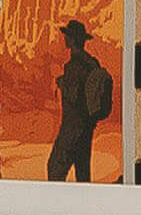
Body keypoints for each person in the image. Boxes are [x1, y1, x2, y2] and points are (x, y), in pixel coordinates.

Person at [47, 19, 114, 183]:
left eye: (67, 36)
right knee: (83, 173)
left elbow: (74, 95)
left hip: (72, 126)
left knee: (55, 168)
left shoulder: (73, 65)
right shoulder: (92, 62)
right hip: (88, 127)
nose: (65, 39)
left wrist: (62, 82)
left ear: (72, 40)